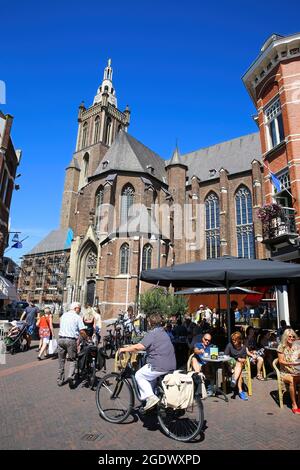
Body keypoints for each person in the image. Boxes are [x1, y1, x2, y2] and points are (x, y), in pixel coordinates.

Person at [118, 312, 176, 411]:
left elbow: (140, 346)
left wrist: (124, 349)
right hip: (171, 364)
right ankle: (153, 404)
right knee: (150, 378)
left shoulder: (153, 333)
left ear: (150, 323)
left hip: (158, 365)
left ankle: (151, 398)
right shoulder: (163, 332)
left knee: (139, 375)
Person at [57, 301, 87, 387]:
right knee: (73, 359)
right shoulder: (77, 317)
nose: (80, 310)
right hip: (70, 340)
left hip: (61, 339)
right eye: (79, 309)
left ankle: (60, 379)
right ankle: (70, 376)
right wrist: (86, 338)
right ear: (75, 308)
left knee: (61, 360)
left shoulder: (63, 315)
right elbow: (82, 331)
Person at [277, 328, 300, 414]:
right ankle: (294, 404)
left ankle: (299, 401)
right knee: (292, 380)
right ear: (286, 337)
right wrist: (291, 364)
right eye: (289, 336)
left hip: (296, 371)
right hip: (285, 372)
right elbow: (281, 361)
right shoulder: (281, 346)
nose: (291, 338)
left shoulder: (296, 346)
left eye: (293, 336)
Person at [225, 331, 248, 400]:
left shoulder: (243, 347)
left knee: (239, 364)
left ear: (239, 339)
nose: (233, 341)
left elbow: (244, 359)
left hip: (239, 364)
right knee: (239, 371)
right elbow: (225, 355)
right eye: (232, 339)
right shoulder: (230, 345)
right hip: (230, 364)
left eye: (235, 339)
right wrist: (231, 360)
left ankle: (234, 379)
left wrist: (241, 359)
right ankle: (240, 391)